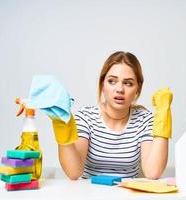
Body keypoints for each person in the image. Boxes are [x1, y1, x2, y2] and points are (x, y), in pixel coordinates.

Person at [51, 51, 172, 180]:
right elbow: (73, 172)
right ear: (102, 84)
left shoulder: (145, 120)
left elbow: (153, 172)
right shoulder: (86, 117)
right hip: (89, 194)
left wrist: (163, 113)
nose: (120, 89)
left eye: (128, 83)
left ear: (138, 88)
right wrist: (60, 123)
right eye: (112, 81)